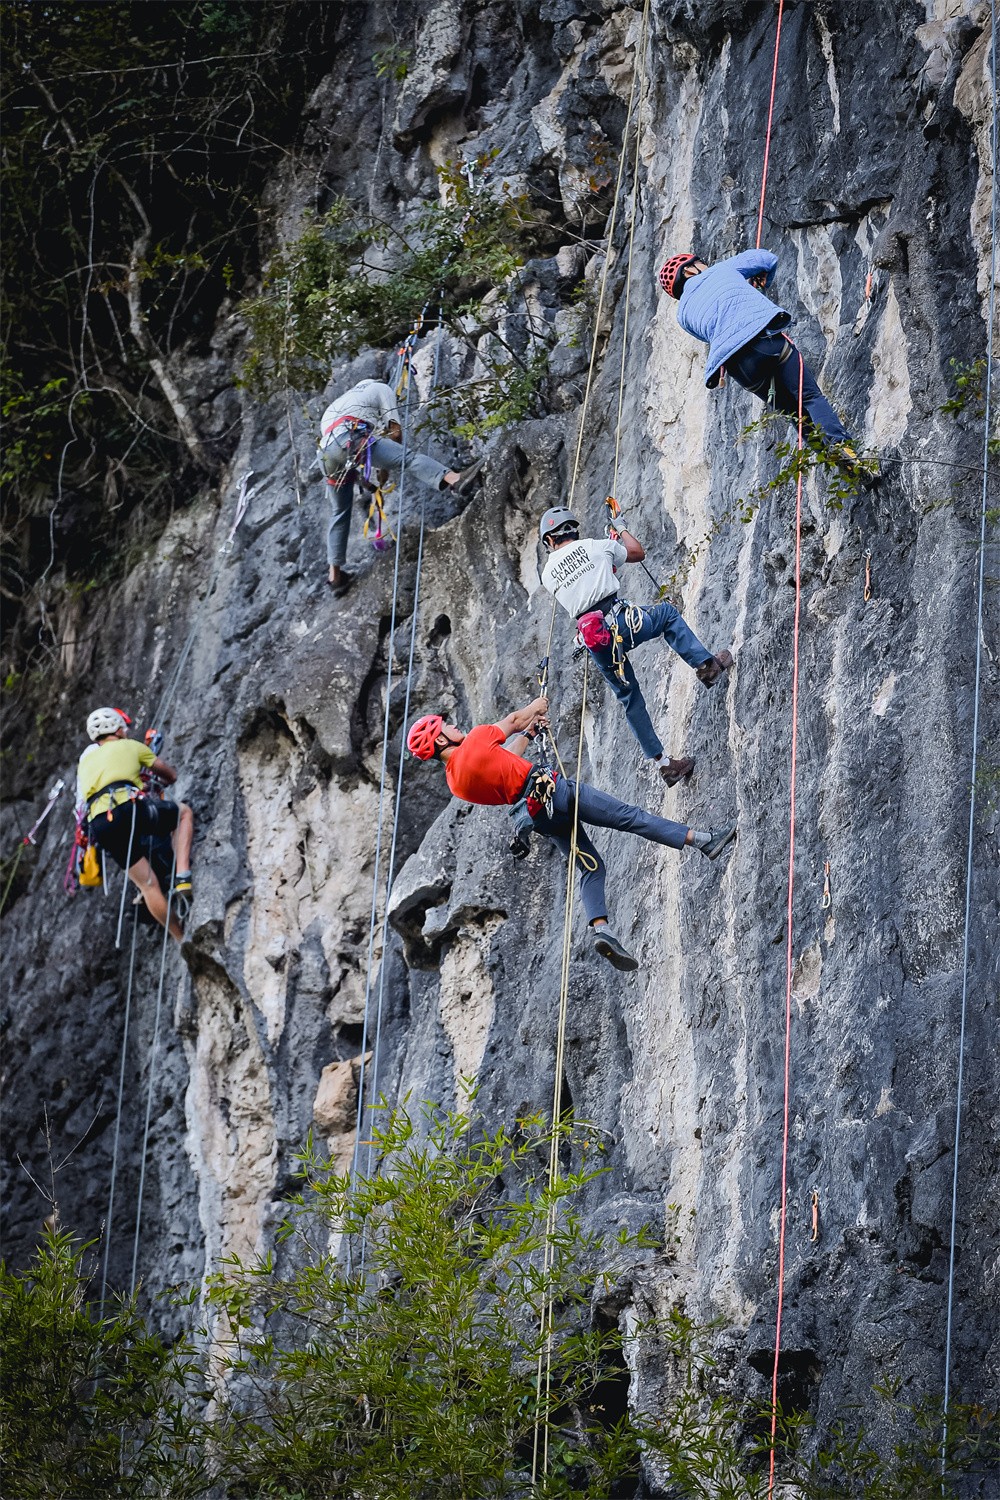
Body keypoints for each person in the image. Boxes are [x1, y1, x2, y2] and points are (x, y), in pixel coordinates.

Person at [406, 700, 737, 972]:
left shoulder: (457, 785)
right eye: (445, 726)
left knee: (590, 869)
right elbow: (513, 720)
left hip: (540, 815)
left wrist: (530, 733)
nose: (454, 726)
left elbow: (504, 762)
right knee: (630, 818)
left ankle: (602, 929)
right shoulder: (477, 739)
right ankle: (705, 840)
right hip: (559, 792)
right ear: (439, 740)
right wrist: (535, 708)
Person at [538, 507, 733, 784]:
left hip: (596, 640)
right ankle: (706, 666)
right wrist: (621, 529)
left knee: (630, 699)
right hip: (621, 621)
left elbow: (585, 581)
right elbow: (636, 552)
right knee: (666, 615)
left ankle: (665, 765)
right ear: (574, 530)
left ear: (549, 541)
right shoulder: (597, 546)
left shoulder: (548, 575)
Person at [659, 251, 875, 477]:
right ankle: (842, 447)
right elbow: (766, 258)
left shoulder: (683, 315)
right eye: (700, 262)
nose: (705, 264)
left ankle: (835, 461)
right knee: (809, 397)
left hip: (740, 370)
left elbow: (712, 332)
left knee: (795, 414)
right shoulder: (721, 269)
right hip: (765, 344)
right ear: (689, 270)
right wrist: (763, 280)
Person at [318, 377, 483, 595]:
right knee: (409, 459)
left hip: (326, 455)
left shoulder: (338, 405)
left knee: (340, 511)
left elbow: (342, 453)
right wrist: (388, 466)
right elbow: (395, 432)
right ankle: (455, 480)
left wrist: (371, 476)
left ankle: (335, 577)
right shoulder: (380, 388)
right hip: (352, 438)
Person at [78, 707, 194, 941]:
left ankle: (179, 937)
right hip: (126, 808)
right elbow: (169, 774)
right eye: (123, 726)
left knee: (148, 886)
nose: (126, 730)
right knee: (183, 814)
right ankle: (182, 874)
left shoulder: (86, 761)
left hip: (99, 825)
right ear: (117, 728)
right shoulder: (131, 745)